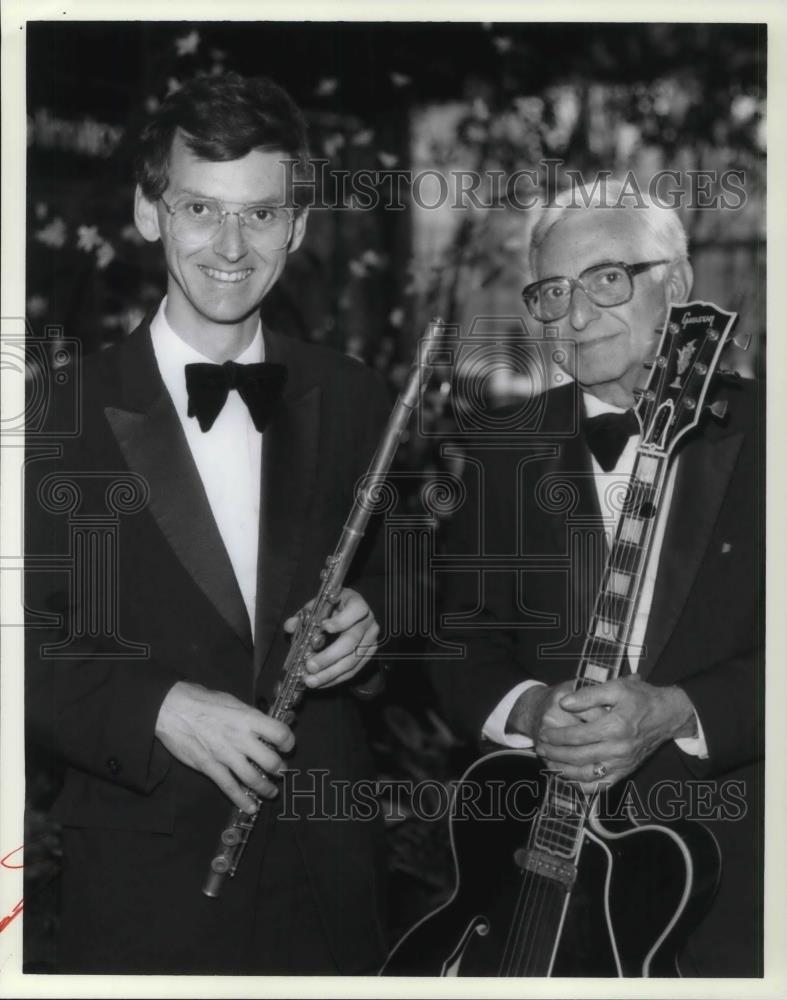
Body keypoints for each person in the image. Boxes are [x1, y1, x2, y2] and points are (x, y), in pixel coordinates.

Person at [25, 73, 391, 975]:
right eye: (200, 208)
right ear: (151, 213)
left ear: (297, 228)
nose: (231, 245)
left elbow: (408, 582)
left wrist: (374, 622)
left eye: (261, 215)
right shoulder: (52, 411)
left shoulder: (354, 396)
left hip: (331, 891)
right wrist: (155, 706)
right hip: (145, 894)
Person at [429, 181, 764, 976]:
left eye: (606, 280)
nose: (574, 318)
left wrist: (681, 709)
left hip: (746, 882)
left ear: (675, 286)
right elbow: (453, 650)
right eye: (551, 292)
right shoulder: (500, 449)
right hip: (545, 894)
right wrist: (533, 709)